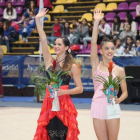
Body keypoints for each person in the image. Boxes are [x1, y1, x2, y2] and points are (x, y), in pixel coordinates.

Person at [33, 9, 83, 140]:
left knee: (63, 134)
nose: (55, 46)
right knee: (50, 134)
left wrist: (64, 92)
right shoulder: (49, 60)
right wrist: (37, 19)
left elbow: (80, 88)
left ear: (67, 47)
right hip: (49, 103)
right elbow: (43, 39)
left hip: (64, 104)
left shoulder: (72, 66)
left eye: (59, 44)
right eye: (55, 44)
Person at [90, 9, 128, 140]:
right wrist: (96, 22)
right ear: (101, 51)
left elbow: (125, 93)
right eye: (107, 48)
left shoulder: (119, 70)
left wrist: (119, 99)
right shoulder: (96, 65)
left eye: (112, 48)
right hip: (97, 106)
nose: (110, 50)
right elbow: (93, 43)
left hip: (112, 107)